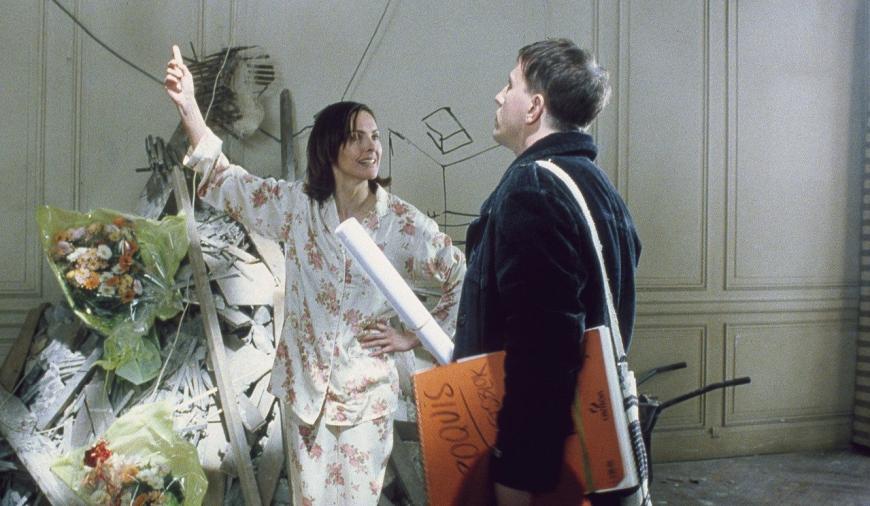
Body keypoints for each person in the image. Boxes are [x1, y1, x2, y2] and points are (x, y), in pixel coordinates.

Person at [163, 45, 465, 505]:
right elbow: (228, 182)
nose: (371, 147)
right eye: (357, 137)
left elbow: (460, 276)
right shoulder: (298, 208)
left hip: (364, 400)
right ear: (329, 147)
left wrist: (413, 336)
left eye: (375, 137)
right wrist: (188, 107)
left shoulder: (401, 224)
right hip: (305, 395)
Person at [452, 38, 641, 506]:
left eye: (510, 85)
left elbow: (543, 349)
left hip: (542, 467)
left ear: (535, 107)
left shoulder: (532, 186)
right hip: (590, 447)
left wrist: (517, 472)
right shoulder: (599, 187)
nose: (499, 96)